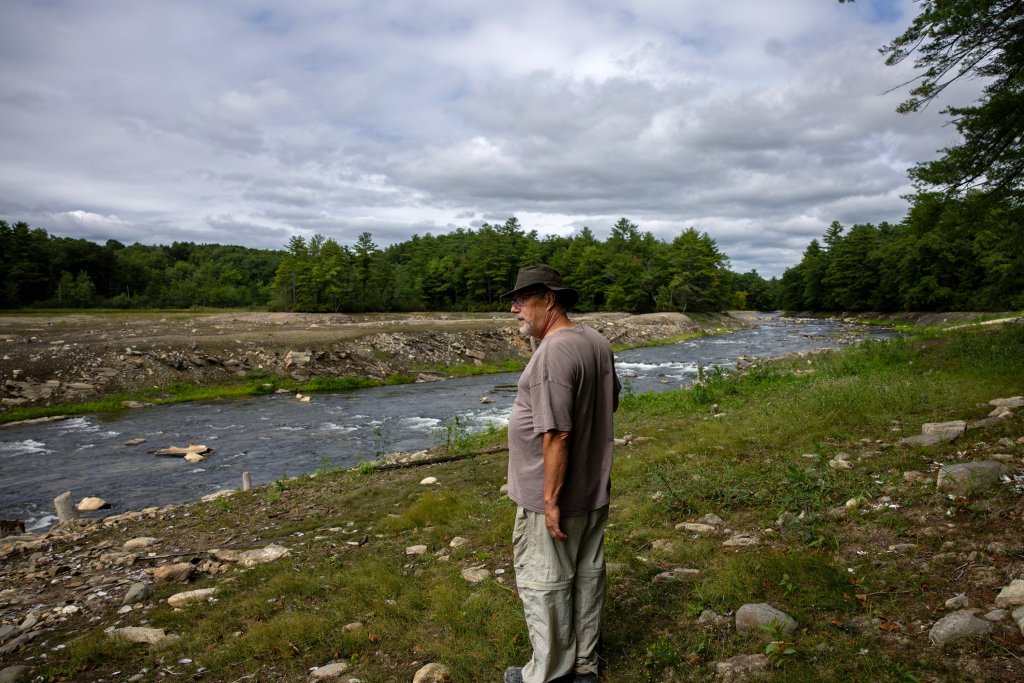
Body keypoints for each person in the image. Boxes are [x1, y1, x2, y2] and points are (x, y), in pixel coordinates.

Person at [502, 265, 621, 683]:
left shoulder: (552, 352)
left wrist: (551, 501)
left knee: (546, 583)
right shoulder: (596, 342)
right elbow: (610, 403)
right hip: (593, 490)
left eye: (521, 300)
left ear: (548, 300)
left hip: (552, 497)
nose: (515, 308)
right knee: (587, 576)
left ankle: (549, 675)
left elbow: (557, 433)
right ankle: (585, 666)